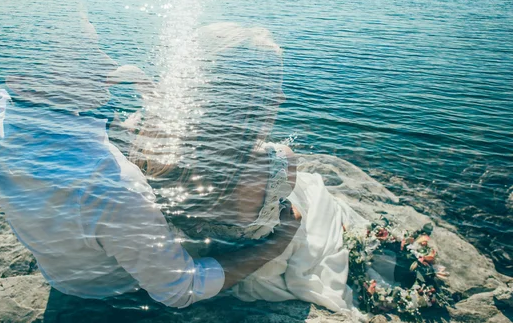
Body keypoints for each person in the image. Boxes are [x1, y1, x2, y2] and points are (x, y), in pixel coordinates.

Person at [0, 0, 301, 309]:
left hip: (61, 272)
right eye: (82, 53)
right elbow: (182, 289)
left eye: (95, 46)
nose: (106, 66)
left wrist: (145, 87)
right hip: (117, 289)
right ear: (22, 78)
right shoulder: (112, 186)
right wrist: (278, 244)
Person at [123, 22, 370, 318]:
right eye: (272, 88)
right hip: (252, 270)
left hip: (193, 260)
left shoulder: (150, 150)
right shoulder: (279, 162)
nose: (281, 97)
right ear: (248, 101)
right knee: (307, 194)